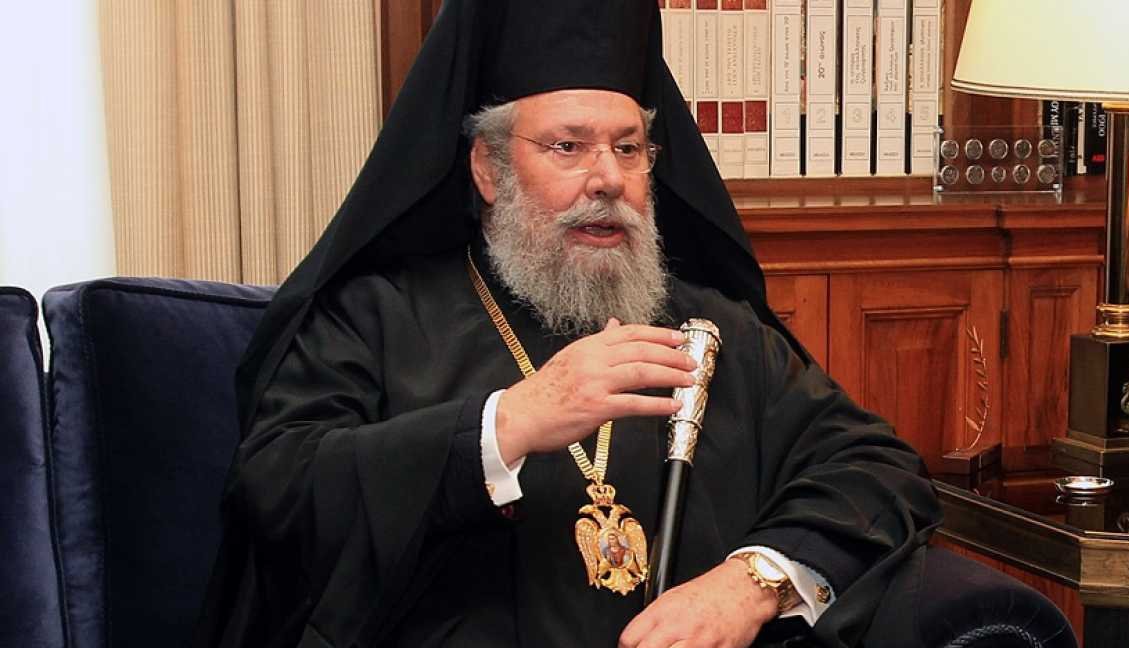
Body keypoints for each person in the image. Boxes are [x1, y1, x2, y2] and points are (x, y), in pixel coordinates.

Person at [194, 2, 941, 647]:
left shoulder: (714, 328)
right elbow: (279, 487)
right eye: (568, 146)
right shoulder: (374, 315)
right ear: (488, 170)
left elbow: (875, 467)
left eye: (628, 148)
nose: (608, 178)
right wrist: (505, 424)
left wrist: (751, 584)